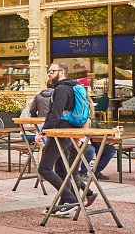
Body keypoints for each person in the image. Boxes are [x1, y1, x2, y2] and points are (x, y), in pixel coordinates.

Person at [37, 63, 94, 218]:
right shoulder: (72, 87)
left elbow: (54, 113)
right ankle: (64, 205)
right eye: (48, 71)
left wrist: (42, 132)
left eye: (51, 71)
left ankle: (70, 199)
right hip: (70, 130)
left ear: (61, 72)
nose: (49, 74)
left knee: (44, 168)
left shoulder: (61, 89)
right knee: (62, 169)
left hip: (60, 131)